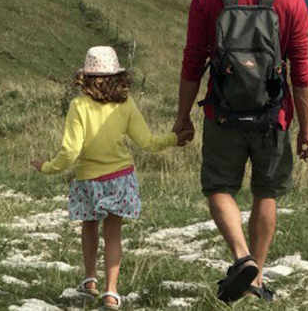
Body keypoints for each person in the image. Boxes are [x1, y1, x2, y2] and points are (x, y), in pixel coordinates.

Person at [173, 0, 308, 303]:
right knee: (265, 193)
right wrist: (306, 129)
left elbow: (193, 61)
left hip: (222, 112)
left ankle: (241, 257)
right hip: (273, 117)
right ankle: (256, 278)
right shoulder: (290, 1)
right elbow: (301, 73)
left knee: (220, 186)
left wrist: (183, 115)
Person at [32, 46, 193, 311]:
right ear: (118, 77)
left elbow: (70, 152)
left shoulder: (78, 106)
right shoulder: (126, 104)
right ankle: (112, 292)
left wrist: (47, 166)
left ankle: (90, 279)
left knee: (89, 226)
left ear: (85, 77)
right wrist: (174, 139)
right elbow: (147, 142)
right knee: (114, 235)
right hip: (120, 178)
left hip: (88, 180)